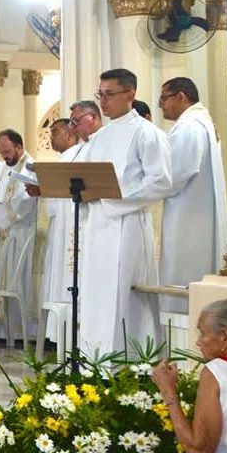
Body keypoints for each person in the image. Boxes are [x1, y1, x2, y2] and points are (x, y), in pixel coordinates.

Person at [76, 68, 171, 354]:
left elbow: (160, 182)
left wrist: (114, 199)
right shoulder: (100, 137)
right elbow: (86, 177)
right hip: (97, 227)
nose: (103, 102)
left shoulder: (148, 134)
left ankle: (131, 361)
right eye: (100, 95)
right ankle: (97, 359)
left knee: (125, 297)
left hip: (128, 226)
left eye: (110, 94)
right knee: (97, 295)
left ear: (130, 94)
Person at [152, 298, 227, 453]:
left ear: (225, 336)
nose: (198, 342)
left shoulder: (217, 373)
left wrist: (168, 392)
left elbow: (199, 451)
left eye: (202, 333)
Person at [158, 77, 227, 312]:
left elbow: (173, 174)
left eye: (164, 98)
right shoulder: (203, 122)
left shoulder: (188, 127)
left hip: (187, 219)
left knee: (181, 282)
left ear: (181, 96)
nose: (160, 105)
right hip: (198, 214)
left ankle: (179, 343)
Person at [0, 129, 37, 343]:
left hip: (21, 234)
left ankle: (19, 331)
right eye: (1, 152)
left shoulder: (30, 168)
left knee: (19, 283)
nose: (4, 156)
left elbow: (25, 201)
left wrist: (0, 211)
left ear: (19, 146)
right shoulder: (3, 170)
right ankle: (2, 331)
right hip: (3, 233)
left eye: (7, 151)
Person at [37, 118, 80, 346]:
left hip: (71, 228)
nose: (51, 136)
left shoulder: (79, 155)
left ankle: (64, 334)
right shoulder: (65, 157)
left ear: (71, 133)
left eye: (56, 131)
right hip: (59, 226)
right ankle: (56, 334)